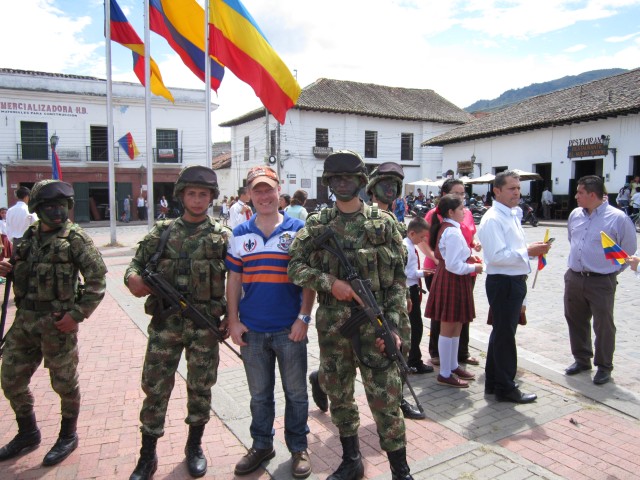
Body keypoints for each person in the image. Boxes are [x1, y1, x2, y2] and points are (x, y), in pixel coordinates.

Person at [288, 151, 414, 480]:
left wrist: (396, 329)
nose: (343, 184)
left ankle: (400, 470)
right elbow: (295, 267)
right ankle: (351, 459)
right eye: (336, 179)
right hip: (335, 329)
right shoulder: (316, 225)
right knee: (340, 393)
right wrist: (331, 283)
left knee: (386, 397)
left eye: (349, 178)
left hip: (377, 326)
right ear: (329, 184)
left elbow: (400, 282)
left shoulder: (384, 223)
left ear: (361, 182)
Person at [125, 166, 230, 479]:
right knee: (155, 388)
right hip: (165, 324)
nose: (197, 200)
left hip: (204, 326)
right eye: (191, 194)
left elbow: (238, 280)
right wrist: (132, 278)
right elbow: (135, 264)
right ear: (181, 196)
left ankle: (194, 446)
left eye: (203, 194)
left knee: (200, 387)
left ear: (212, 197)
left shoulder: (222, 236)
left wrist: (230, 317)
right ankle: (147, 456)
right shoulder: (163, 231)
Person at [0, 180, 107, 466]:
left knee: (64, 383)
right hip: (25, 323)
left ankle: (67, 435)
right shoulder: (28, 237)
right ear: (37, 208)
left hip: (58, 325)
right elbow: (18, 270)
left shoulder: (76, 239)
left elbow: (96, 282)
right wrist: (7, 268)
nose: (57, 211)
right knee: (10, 379)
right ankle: (28, 432)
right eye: (49, 206)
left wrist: (77, 315)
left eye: (62, 206)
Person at [226, 166, 314, 478]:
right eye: (257, 190)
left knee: (296, 393)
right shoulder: (239, 234)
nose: (263, 196)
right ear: (248, 194)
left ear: (279, 192)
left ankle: (299, 447)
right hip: (252, 330)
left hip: (289, 329)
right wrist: (233, 321)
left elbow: (308, 279)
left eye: (269, 189)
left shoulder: (298, 229)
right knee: (259, 395)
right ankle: (262, 444)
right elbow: (234, 279)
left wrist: (304, 317)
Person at [477, 171, 551, 403]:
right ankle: (506, 387)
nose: (516, 192)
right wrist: (528, 252)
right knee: (505, 336)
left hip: (513, 281)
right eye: (511, 188)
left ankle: (494, 381)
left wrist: (530, 248)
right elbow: (496, 256)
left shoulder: (510, 215)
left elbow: (511, 248)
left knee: (501, 334)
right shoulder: (493, 219)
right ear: (496, 191)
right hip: (504, 282)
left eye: (518, 188)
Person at [563, 175, 637, 386]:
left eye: (580, 193)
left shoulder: (618, 218)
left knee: (604, 325)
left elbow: (628, 251)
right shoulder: (576, 215)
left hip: (601, 280)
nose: (576, 196)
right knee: (575, 319)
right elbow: (572, 239)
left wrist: (610, 271)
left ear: (592, 195)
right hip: (575, 277)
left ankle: (604, 366)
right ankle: (581, 359)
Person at [425, 194, 483, 388]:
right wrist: (473, 268)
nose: (464, 211)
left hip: (455, 280)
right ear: (451, 212)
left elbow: (455, 257)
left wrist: (469, 259)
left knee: (456, 325)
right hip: (452, 279)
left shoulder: (452, 229)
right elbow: (453, 265)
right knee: (448, 327)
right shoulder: (451, 231)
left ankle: (452, 365)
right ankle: (444, 372)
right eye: (461, 208)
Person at [403, 217, 434, 377]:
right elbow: (406, 272)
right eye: (421, 237)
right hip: (409, 289)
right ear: (412, 233)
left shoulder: (409, 245)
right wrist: (423, 272)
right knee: (415, 328)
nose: (423, 240)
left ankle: (412, 360)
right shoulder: (406, 247)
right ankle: (413, 361)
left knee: (415, 326)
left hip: (413, 288)